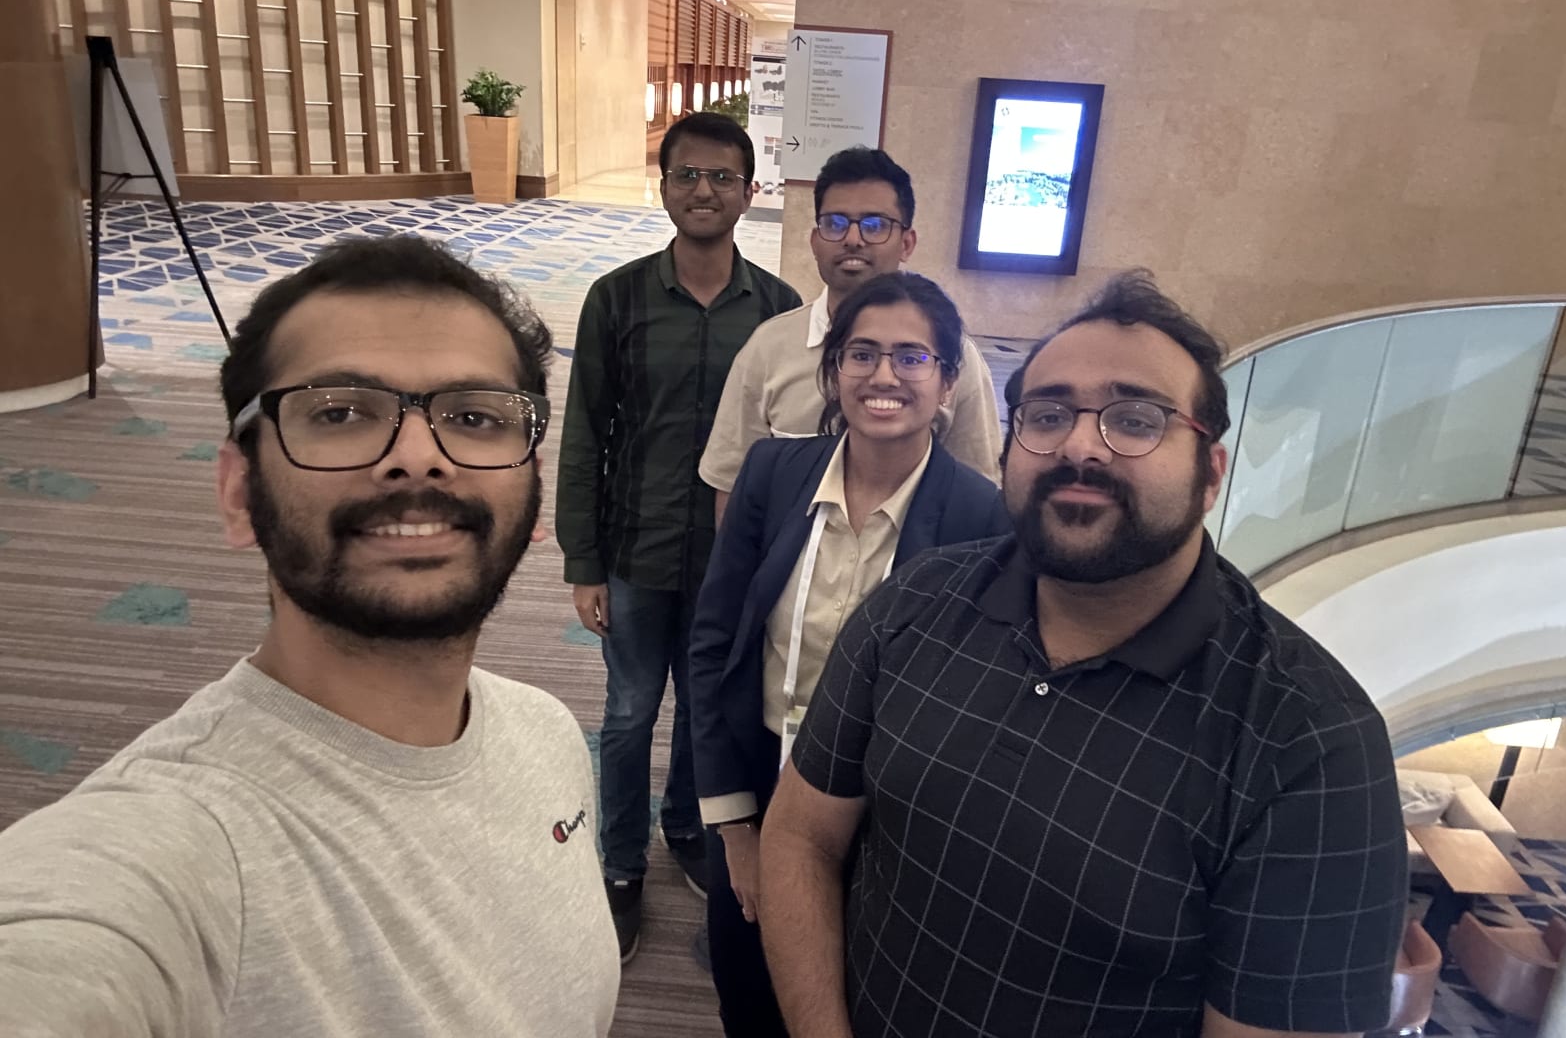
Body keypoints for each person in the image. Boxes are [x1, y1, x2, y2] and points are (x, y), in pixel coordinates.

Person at [759, 271, 1409, 1038]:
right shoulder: (916, 603)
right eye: (1047, 414)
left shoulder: (1310, 743)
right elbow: (802, 837)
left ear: (1210, 475)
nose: (1078, 445)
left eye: (1135, 419)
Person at [0, 235, 618, 1035]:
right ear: (238, 493)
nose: (418, 458)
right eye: (340, 412)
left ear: (532, 488)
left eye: (473, 417)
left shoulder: (548, 732)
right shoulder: (173, 854)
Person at [688, 273, 1010, 1036]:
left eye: (912, 357)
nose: (884, 375)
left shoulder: (982, 516)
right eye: (861, 354)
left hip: (886, 814)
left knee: (852, 999)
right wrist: (737, 832)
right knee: (748, 992)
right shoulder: (773, 473)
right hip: (761, 781)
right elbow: (713, 645)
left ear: (949, 383)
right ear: (833, 371)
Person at [556, 111, 803, 962]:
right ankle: (620, 864)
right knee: (629, 713)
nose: (704, 190)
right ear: (662, 187)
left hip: (731, 558)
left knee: (708, 709)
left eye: (722, 177)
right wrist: (582, 562)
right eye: (687, 175)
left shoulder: (777, 311)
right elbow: (584, 434)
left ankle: (687, 829)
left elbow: (789, 449)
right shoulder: (616, 298)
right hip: (635, 547)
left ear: (750, 191)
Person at [699, 147, 1002, 522]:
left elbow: (978, 491)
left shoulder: (952, 354)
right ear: (815, 241)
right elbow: (732, 484)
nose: (853, 239)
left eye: (875, 225)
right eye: (836, 223)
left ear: (907, 243)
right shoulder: (768, 348)